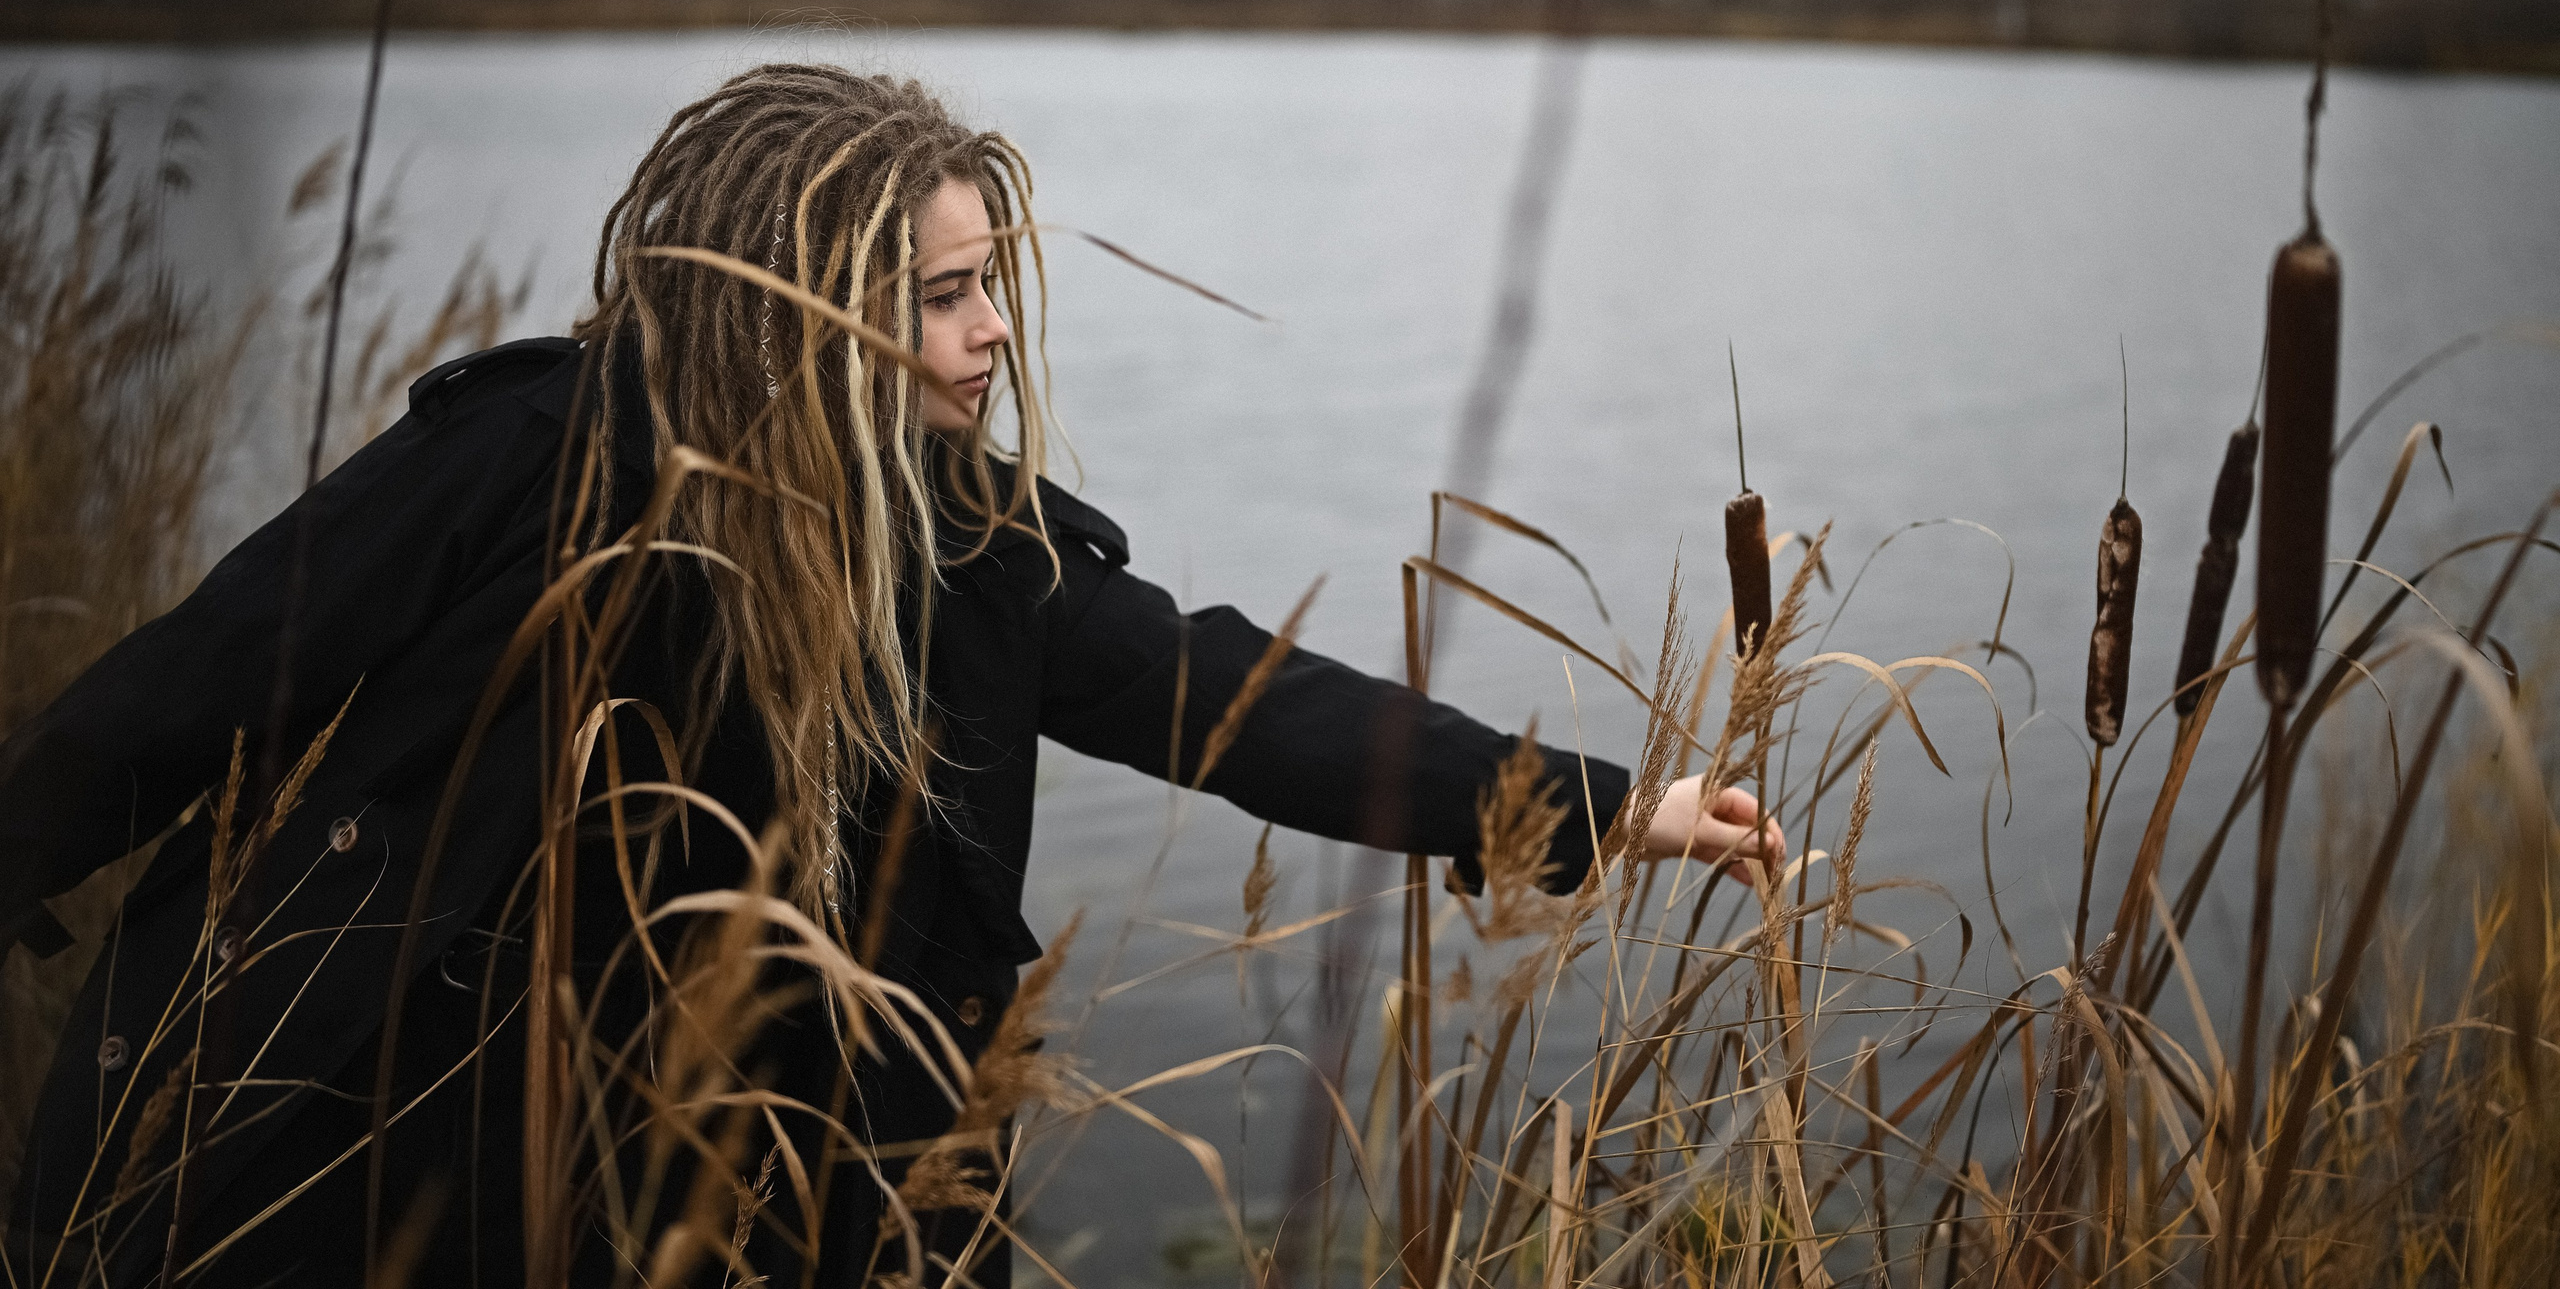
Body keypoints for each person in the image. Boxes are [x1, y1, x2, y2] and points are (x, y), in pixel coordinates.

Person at [0, 64, 1780, 1288]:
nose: (993, 331)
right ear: (799, 296)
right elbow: (209, 679)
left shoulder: (958, 550)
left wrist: (1611, 811)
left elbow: (1230, 700)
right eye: (943, 295)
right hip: (395, 1157)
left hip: (757, 1193)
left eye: (990, 285)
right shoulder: (533, 455)